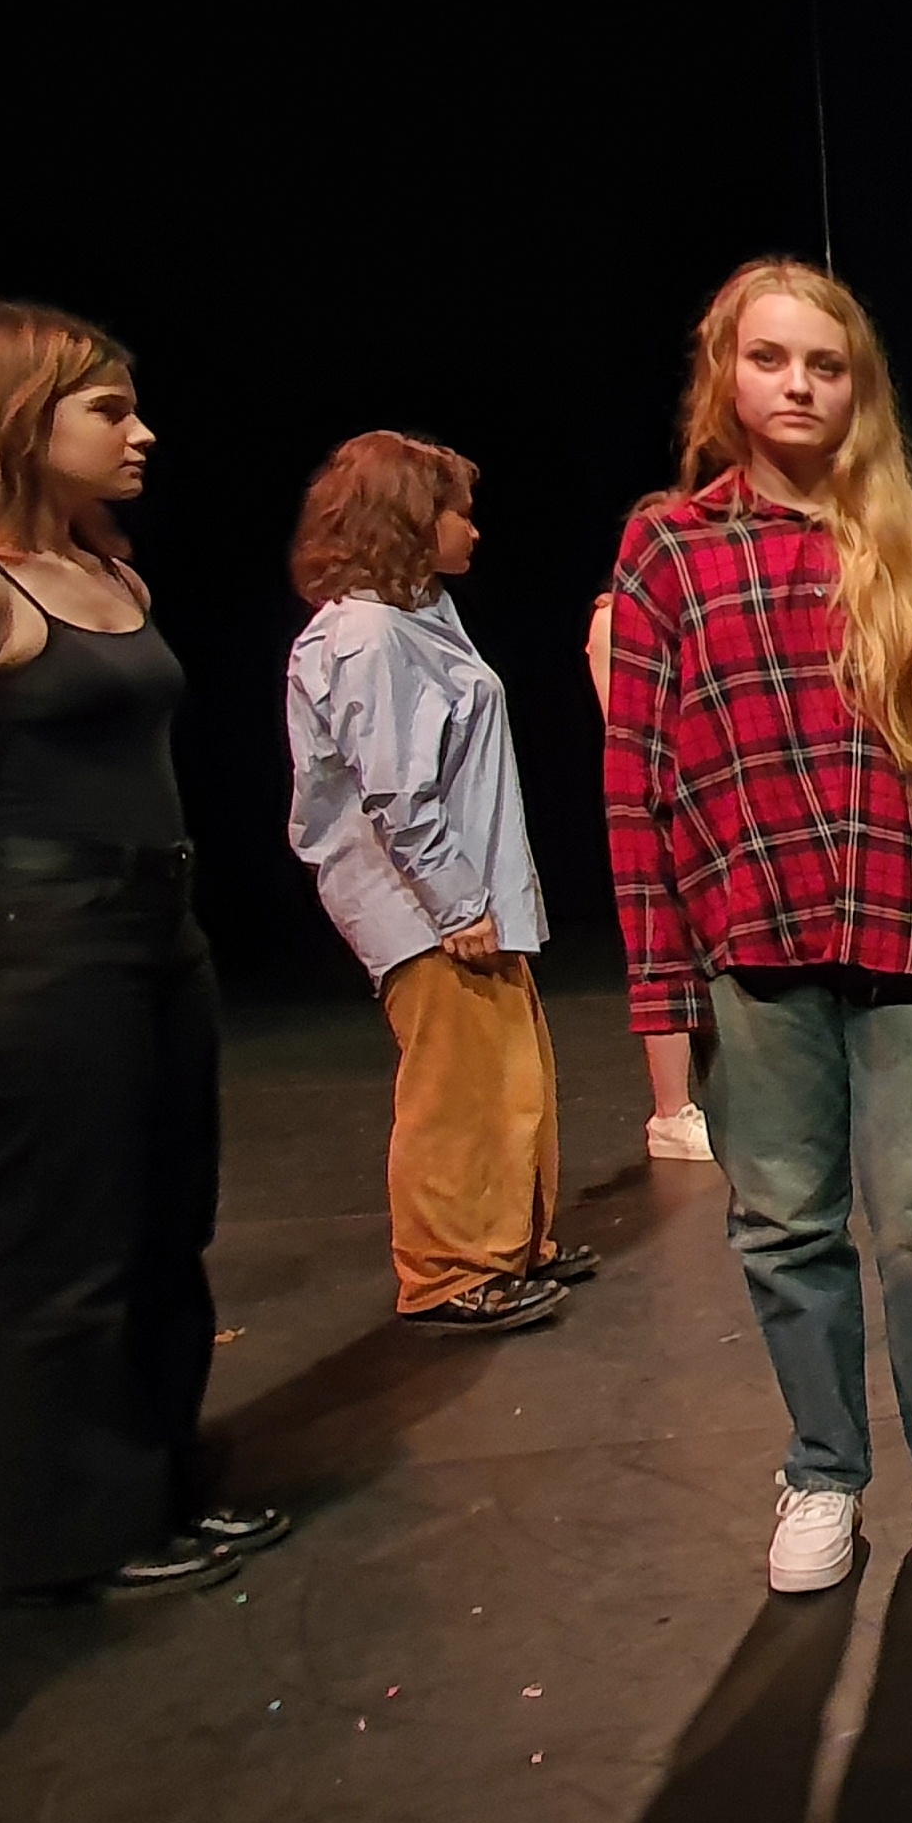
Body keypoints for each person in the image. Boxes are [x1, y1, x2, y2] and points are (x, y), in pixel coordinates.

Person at [0, 301, 285, 1602]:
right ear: (13, 423)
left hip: (152, 929)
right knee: (70, 1245)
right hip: (41, 941)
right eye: (107, 410)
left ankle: (156, 1481)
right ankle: (72, 1532)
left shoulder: (105, 571)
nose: (142, 433)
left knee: (166, 1223)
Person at [605, 257, 912, 1591]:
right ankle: (823, 1467)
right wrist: (662, 983)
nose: (797, 384)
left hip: (911, 937)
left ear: (861, 387)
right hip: (749, 941)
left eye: (824, 364)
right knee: (784, 1226)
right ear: (724, 375)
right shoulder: (671, 551)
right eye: (770, 358)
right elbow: (638, 776)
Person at [284, 433, 584, 1335]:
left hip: (465, 890)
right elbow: (394, 789)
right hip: (423, 901)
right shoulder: (367, 635)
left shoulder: (416, 615)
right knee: (459, 1083)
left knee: (511, 1067)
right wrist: (455, 902)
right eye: (457, 512)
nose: (473, 530)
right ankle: (450, 1269)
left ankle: (511, 1242)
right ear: (409, 521)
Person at [586, 576, 712, 1161]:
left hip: (704, 794)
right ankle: (670, 1111)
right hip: (655, 797)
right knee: (664, 948)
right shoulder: (616, 620)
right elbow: (631, 722)